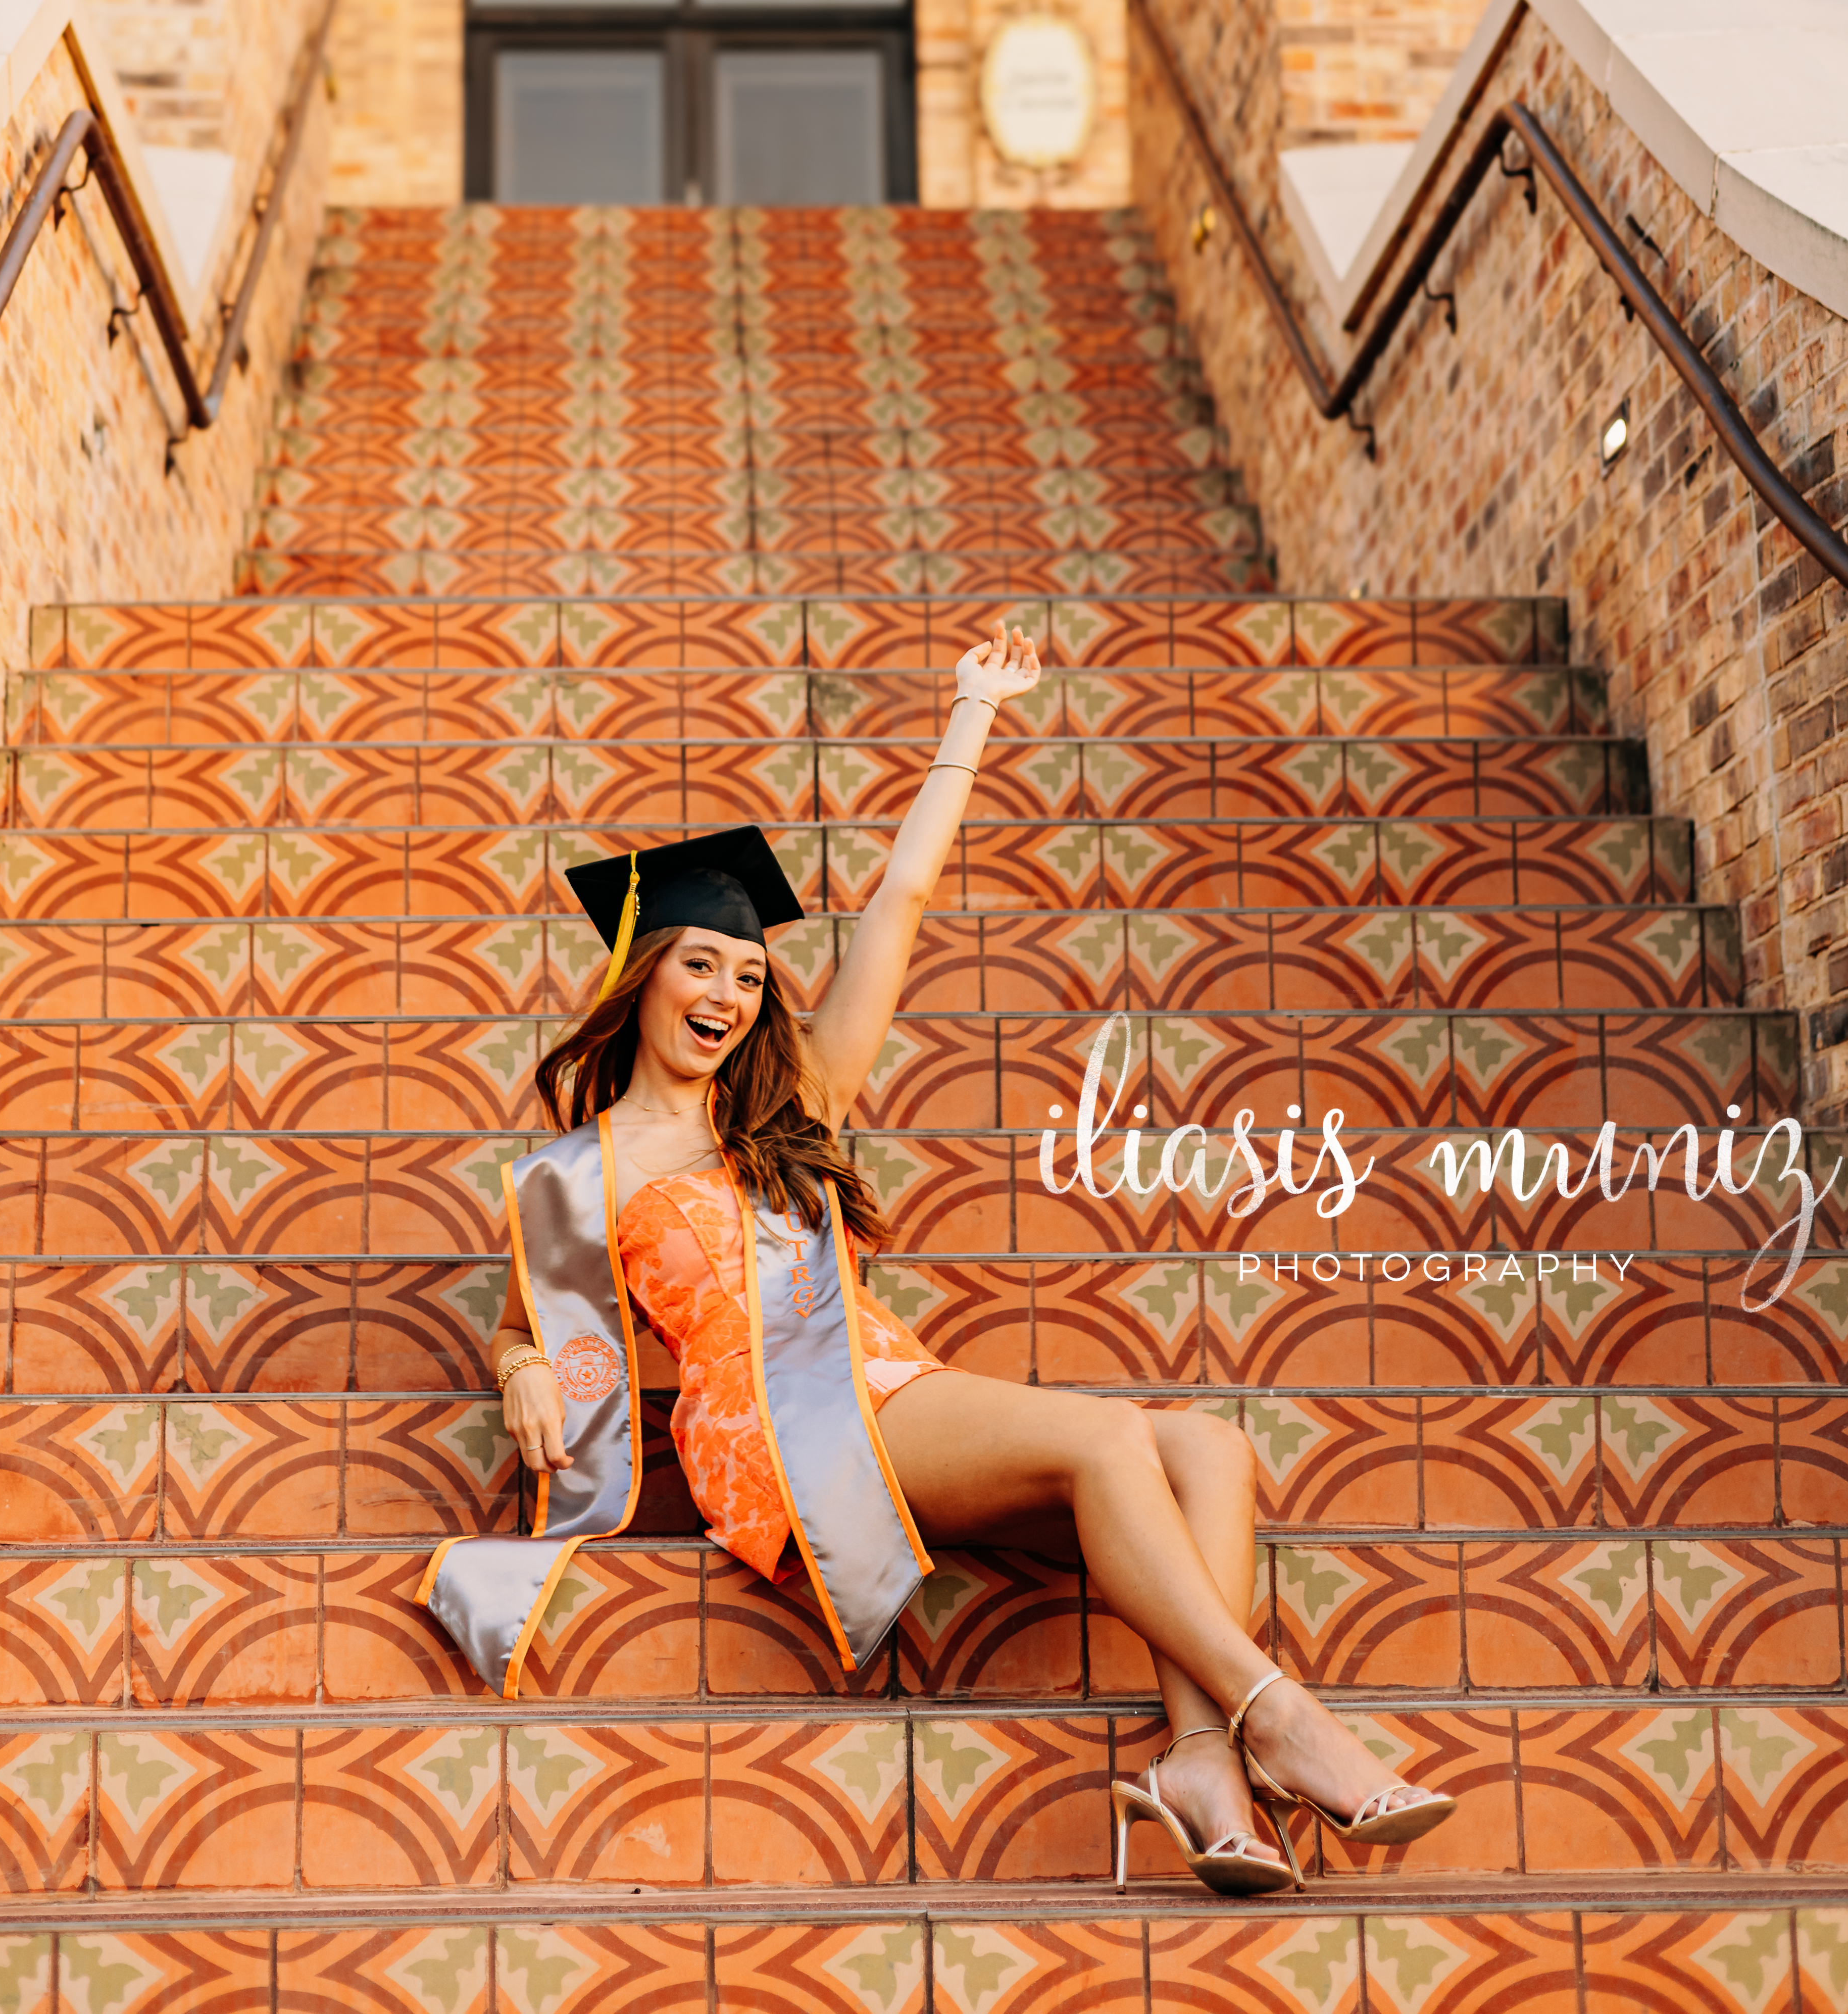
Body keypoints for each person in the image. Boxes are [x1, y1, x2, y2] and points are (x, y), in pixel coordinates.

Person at [420, 621, 1451, 1894]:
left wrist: (972, 713)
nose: (730, 993)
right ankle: (1280, 1714)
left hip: (884, 1382)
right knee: (1112, 1441)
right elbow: (539, 1319)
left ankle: (1200, 1757)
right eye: (702, 963)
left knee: (1210, 1447)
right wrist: (519, 1357)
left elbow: (899, 902)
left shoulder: (795, 1099)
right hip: (781, 1423)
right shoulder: (574, 1171)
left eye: (750, 972)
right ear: (640, 978)